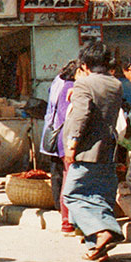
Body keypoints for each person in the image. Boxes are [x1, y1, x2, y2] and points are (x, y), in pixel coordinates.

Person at [62, 42, 124, 262]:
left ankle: (104, 230)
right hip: (108, 149)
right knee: (99, 197)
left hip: (87, 150)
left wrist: (72, 144)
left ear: (85, 64)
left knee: (73, 195)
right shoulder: (115, 84)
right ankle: (98, 248)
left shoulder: (84, 84)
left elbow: (81, 116)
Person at [41, 60, 79, 234]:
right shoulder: (70, 87)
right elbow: (67, 116)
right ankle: (67, 220)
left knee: (61, 175)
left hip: (56, 135)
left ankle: (64, 215)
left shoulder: (58, 81)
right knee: (68, 177)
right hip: (65, 137)